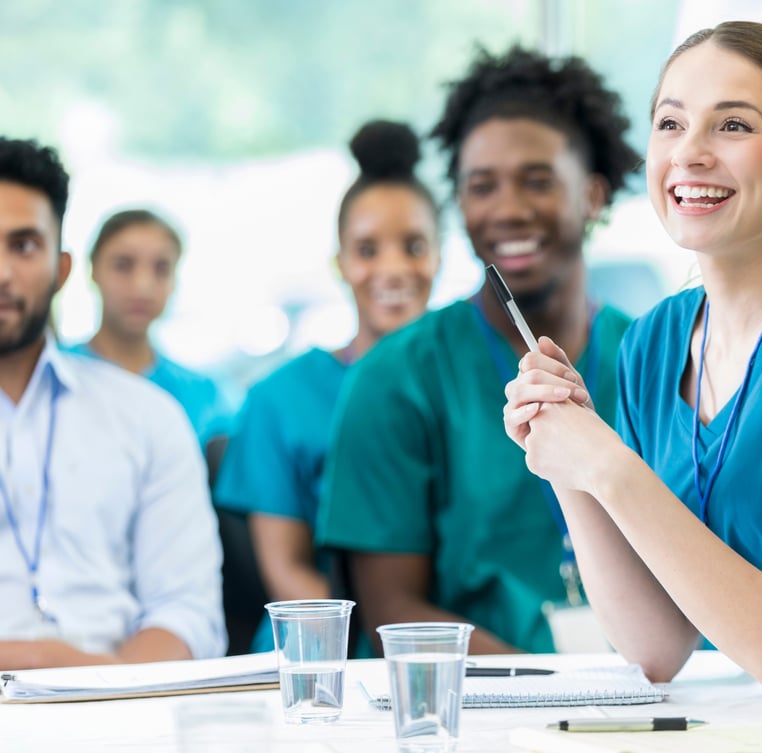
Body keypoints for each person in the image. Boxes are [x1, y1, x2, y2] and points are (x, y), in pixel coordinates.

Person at [316, 45, 641, 655]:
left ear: (593, 196)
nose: (509, 209)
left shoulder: (657, 358)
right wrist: (558, 690)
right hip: (483, 707)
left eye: (538, 181)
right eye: (481, 186)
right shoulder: (397, 378)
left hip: (666, 689)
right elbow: (392, 610)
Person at [503, 20, 762, 686]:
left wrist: (612, 467)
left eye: (733, 126)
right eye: (671, 124)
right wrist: (566, 452)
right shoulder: (654, 344)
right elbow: (655, 646)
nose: (691, 153)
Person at [214, 120, 442, 651]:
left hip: (446, 650)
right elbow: (286, 575)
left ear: (439, 254)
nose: (391, 268)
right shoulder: (280, 400)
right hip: (323, 659)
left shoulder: (474, 391)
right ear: (339, 262)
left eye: (413, 245)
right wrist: (386, 644)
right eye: (367, 250)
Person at [0, 137, 225, 668]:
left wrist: (95, 686)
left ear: (62, 269)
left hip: (123, 712)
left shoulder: (149, 417)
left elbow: (187, 613)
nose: (2, 272)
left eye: (24, 245)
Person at [67, 209, 238, 448]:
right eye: (123, 265)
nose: (143, 286)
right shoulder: (50, 374)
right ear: (93, 270)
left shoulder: (206, 397)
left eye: (161, 268)